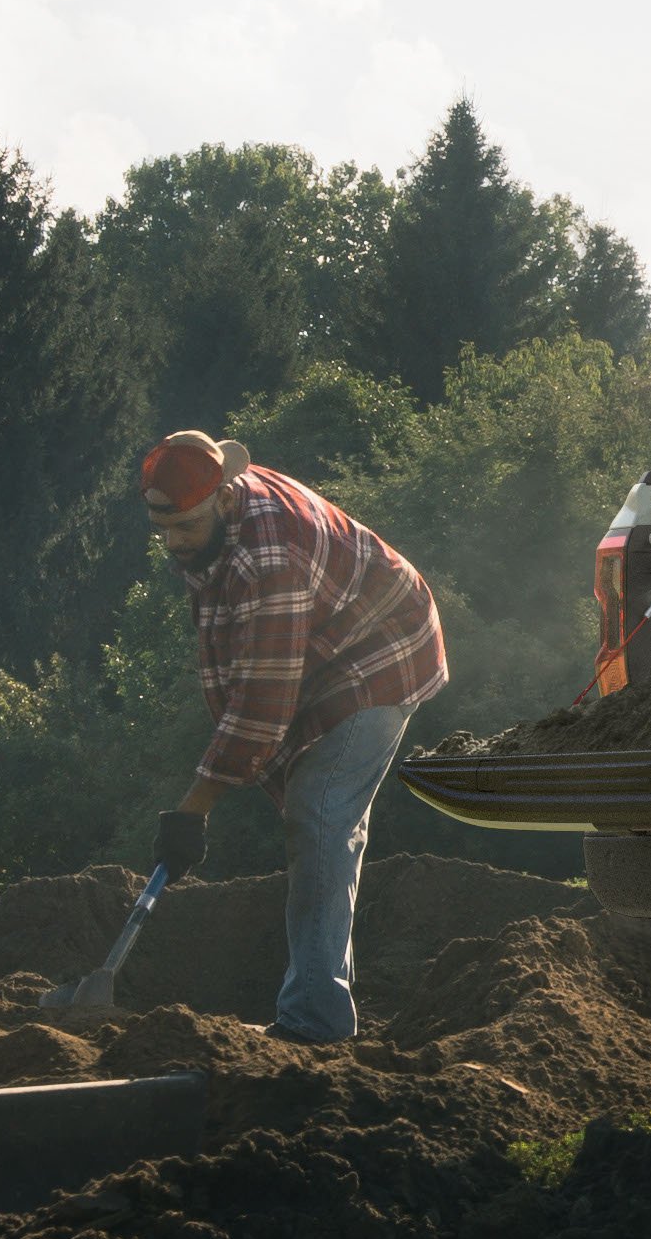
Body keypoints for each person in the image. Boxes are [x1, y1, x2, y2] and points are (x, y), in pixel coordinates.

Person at [142, 428, 448, 1044]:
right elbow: (243, 663)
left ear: (225, 500)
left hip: (382, 652)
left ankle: (316, 1022)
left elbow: (260, 708)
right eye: (163, 532)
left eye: (186, 529)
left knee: (320, 818)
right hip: (325, 650)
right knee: (314, 817)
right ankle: (318, 1004)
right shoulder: (216, 526)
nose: (174, 545)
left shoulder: (270, 557)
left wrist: (192, 811)